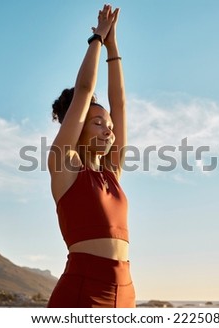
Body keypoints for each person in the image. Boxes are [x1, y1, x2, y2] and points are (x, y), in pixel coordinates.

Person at [46, 4, 135, 308]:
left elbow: (120, 104)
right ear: (78, 125)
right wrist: (97, 38)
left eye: (109, 126)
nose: (109, 130)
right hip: (82, 291)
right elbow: (84, 90)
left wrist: (114, 45)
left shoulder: (113, 172)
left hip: (125, 290)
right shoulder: (65, 165)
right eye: (97, 122)